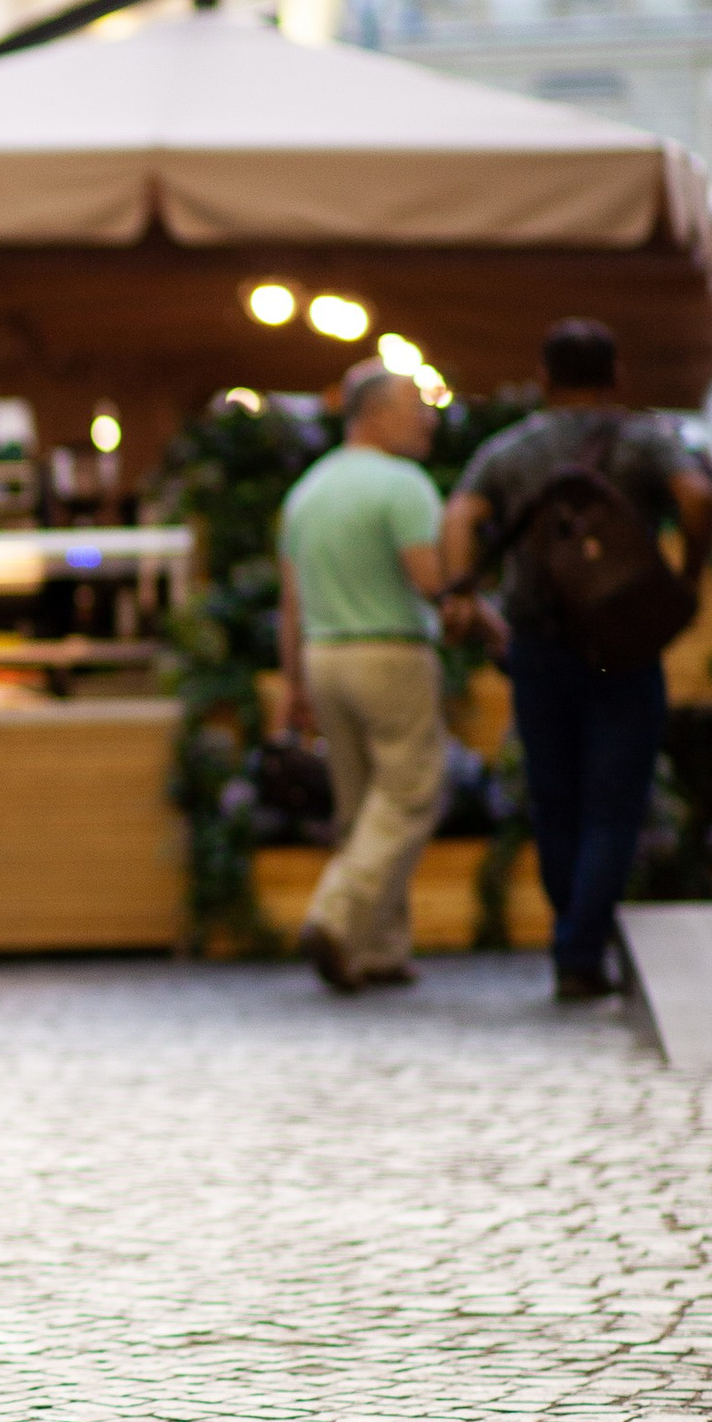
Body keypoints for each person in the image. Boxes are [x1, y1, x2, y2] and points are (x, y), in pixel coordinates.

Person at [443, 320, 712, 1004]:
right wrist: (688, 575)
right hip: (622, 647)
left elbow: (459, 517)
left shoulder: (512, 450)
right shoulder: (645, 440)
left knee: (555, 799)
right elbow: (700, 496)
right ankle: (581, 951)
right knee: (613, 805)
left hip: (537, 644)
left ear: (544, 377)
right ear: (615, 376)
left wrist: (461, 590)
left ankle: (575, 939)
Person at [277, 360, 450, 994]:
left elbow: (290, 602)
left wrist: (292, 686)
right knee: (409, 796)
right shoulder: (403, 484)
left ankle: (376, 949)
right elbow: (429, 579)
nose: (428, 420)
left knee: (360, 808)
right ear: (373, 415)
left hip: (325, 657)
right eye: (415, 408)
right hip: (391, 653)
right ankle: (336, 915)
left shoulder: (307, 491)